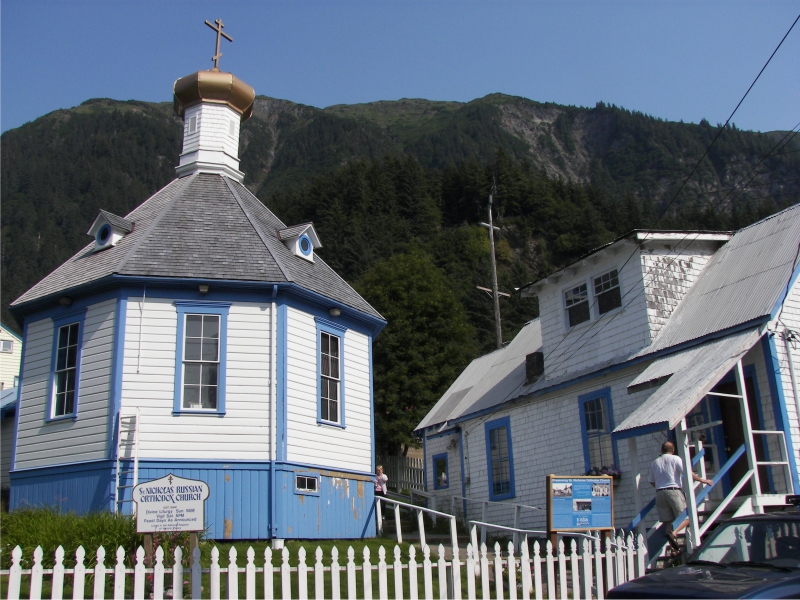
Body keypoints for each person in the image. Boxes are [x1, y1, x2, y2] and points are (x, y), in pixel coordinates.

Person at [649, 441, 712, 553]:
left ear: (661, 450)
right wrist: (703, 480)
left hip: (659, 493)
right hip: (674, 491)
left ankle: (674, 548)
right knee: (687, 517)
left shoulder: (655, 463)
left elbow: (652, 481)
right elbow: (687, 472)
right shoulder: (675, 459)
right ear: (673, 450)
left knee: (668, 521)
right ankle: (674, 533)